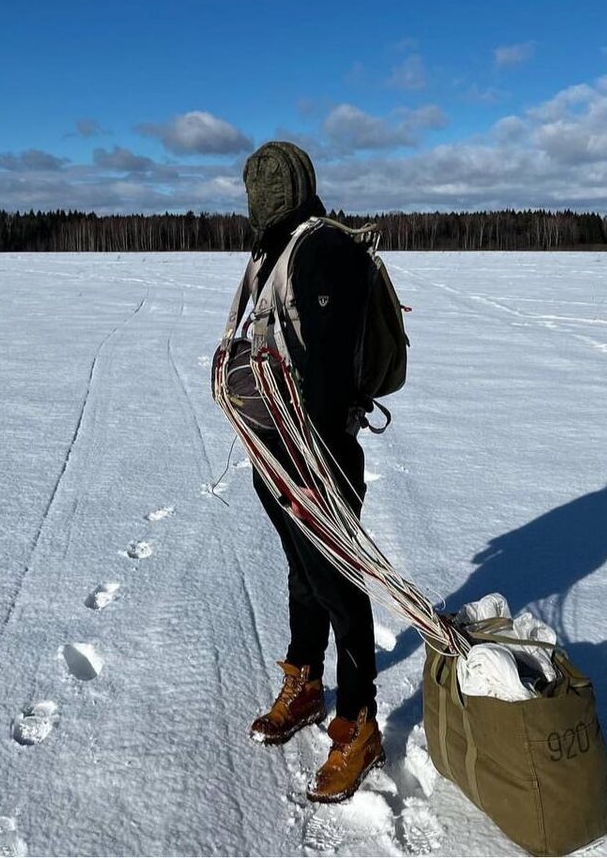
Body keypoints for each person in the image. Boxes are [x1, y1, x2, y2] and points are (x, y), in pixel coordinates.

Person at [224, 140, 383, 803]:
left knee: (337, 582)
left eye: (266, 189)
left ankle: (360, 721)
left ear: (286, 191)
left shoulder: (322, 249)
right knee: (301, 572)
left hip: (316, 455)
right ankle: (307, 681)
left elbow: (327, 370)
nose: (257, 199)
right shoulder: (273, 252)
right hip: (274, 451)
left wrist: (314, 465)